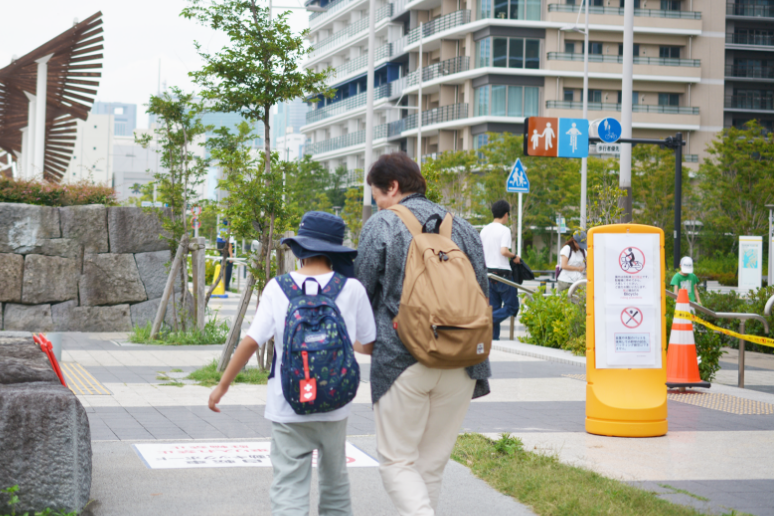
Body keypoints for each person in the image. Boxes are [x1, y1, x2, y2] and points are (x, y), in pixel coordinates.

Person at [208, 211, 376, 516]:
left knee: (289, 486)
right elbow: (370, 345)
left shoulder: (278, 287)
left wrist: (223, 385)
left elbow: (251, 342)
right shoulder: (351, 288)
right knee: (335, 483)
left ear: (299, 249)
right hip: (335, 404)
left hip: (287, 403)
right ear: (336, 252)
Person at [355, 152, 491, 516]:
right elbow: (482, 295)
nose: (377, 203)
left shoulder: (381, 224)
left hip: (403, 358)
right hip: (463, 360)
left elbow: (361, 292)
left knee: (397, 463)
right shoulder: (463, 227)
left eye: (377, 195)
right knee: (430, 466)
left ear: (393, 187)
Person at [480, 200, 521, 340]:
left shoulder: (484, 230)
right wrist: (514, 256)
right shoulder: (505, 230)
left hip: (488, 274)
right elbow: (503, 251)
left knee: (495, 308)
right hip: (502, 274)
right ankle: (485, 320)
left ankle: (494, 342)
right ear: (505, 214)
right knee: (512, 307)